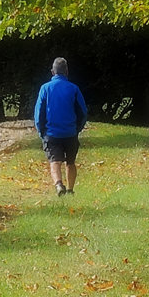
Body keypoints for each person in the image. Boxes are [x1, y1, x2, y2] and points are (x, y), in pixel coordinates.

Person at [34, 56, 88, 195]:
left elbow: (39, 113)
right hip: (70, 133)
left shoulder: (45, 88)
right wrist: (77, 129)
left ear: (53, 72)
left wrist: (41, 132)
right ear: (67, 71)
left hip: (51, 133)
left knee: (54, 162)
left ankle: (58, 185)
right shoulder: (74, 89)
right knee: (70, 162)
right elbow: (83, 112)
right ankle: (70, 189)